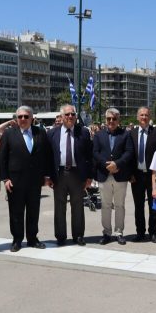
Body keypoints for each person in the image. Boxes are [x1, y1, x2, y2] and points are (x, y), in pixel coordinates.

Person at [0, 106, 53, 252]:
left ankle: (32, 238)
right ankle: (17, 239)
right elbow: (2, 158)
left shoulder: (40, 132)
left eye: (26, 116)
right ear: (17, 118)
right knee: (16, 212)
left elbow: (47, 155)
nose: (23, 119)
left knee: (33, 211)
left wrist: (47, 176)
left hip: (35, 181)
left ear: (32, 118)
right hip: (15, 181)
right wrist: (5, 179)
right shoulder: (9, 134)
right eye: (20, 116)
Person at [48, 104, 93, 246]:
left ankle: (78, 235)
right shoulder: (52, 133)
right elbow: (48, 157)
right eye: (67, 114)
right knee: (59, 207)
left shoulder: (84, 132)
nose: (70, 117)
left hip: (77, 174)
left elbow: (90, 156)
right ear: (61, 117)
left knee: (78, 206)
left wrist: (89, 177)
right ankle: (61, 236)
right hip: (59, 174)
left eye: (73, 114)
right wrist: (47, 176)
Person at [94, 108, 134, 245]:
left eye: (114, 119)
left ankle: (118, 233)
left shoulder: (125, 134)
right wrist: (107, 165)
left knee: (119, 205)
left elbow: (129, 152)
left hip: (120, 175)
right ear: (105, 120)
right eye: (109, 119)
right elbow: (95, 152)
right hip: (104, 174)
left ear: (119, 120)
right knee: (105, 205)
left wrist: (116, 164)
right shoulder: (98, 135)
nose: (111, 121)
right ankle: (106, 232)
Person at [129, 106, 156, 242]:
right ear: (138, 117)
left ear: (150, 117)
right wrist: (130, 174)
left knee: (153, 205)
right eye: (141, 115)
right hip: (136, 176)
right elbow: (130, 155)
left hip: (152, 176)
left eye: (146, 115)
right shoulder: (131, 133)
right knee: (138, 206)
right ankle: (140, 232)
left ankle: (153, 231)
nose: (144, 117)